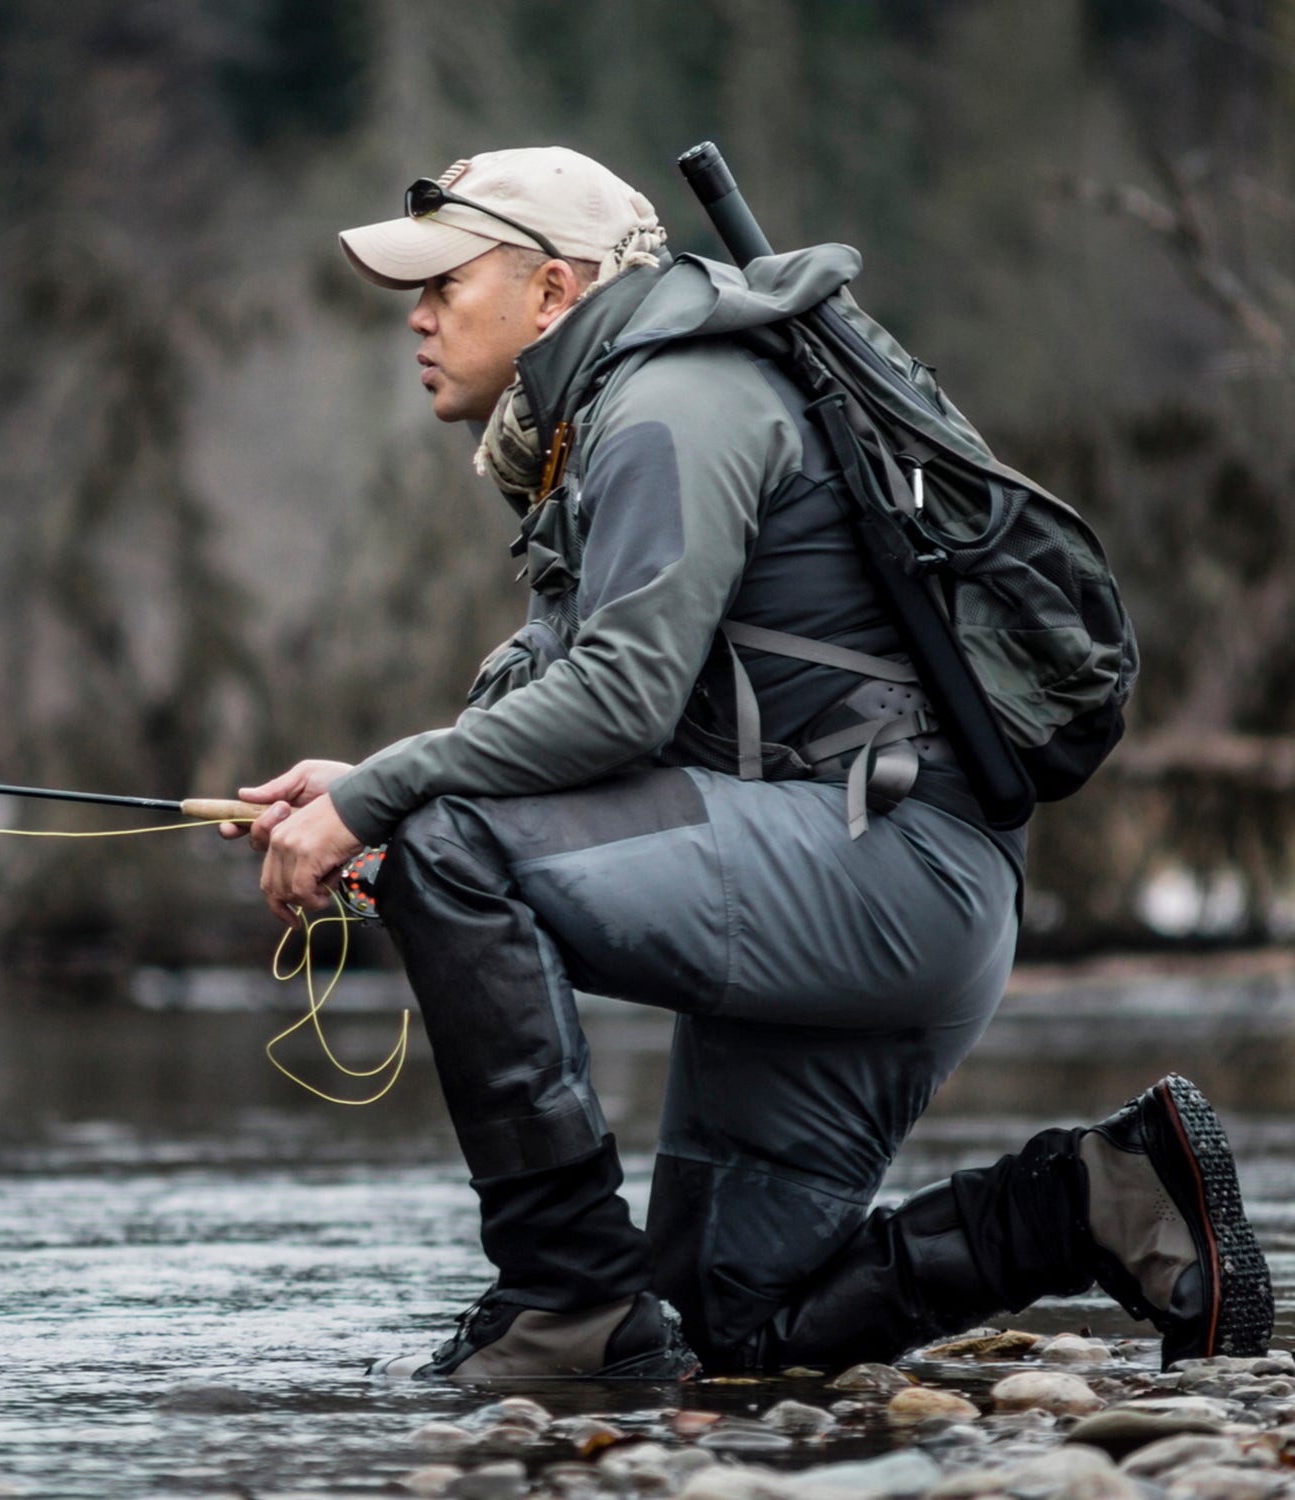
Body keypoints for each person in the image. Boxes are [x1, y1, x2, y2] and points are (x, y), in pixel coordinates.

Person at [224, 148, 1274, 1381]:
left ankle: (564, 1295)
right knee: (734, 1330)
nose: (417, 315)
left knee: (454, 846)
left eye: (445, 284)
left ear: (553, 291)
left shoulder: (674, 404)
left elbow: (618, 705)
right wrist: (371, 794)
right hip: (861, 880)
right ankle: (1102, 1198)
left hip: (882, 872)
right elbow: (597, 713)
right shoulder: (619, 413)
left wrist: (383, 795)